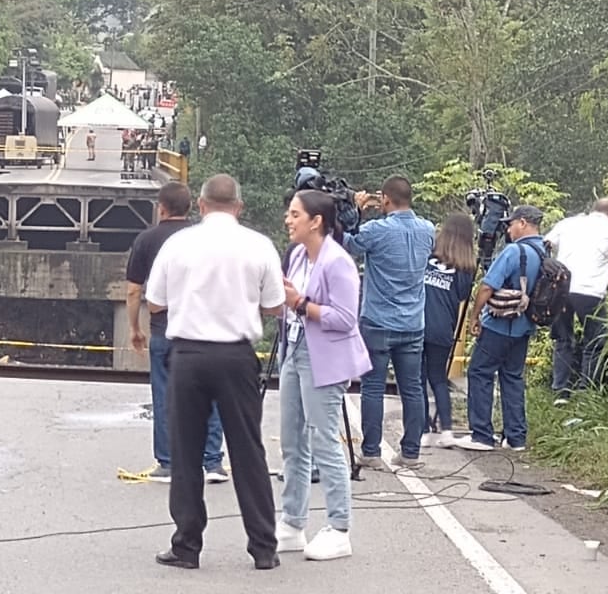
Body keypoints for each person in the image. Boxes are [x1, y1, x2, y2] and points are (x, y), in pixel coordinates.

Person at [145, 174, 284, 571]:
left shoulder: (178, 243)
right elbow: (275, 305)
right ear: (238, 207)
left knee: (186, 451)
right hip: (236, 356)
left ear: (201, 206)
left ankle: (187, 546)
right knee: (247, 451)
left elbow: (155, 303)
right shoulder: (259, 245)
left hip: (188, 354)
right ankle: (263, 547)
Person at [276, 189, 371, 562]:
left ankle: (338, 527)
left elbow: (346, 318)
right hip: (295, 350)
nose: (288, 219)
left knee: (324, 441)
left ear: (316, 221)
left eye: (295, 214)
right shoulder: (298, 255)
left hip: (324, 359)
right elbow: (288, 301)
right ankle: (292, 522)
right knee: (291, 440)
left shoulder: (338, 262)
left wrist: (300, 304)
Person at [125, 182, 227, 485]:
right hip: (205, 330)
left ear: (161, 208)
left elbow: (133, 291)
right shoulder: (205, 239)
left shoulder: (146, 240)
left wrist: (135, 328)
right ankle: (212, 462)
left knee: (165, 396)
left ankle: (168, 462)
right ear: (192, 207)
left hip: (165, 330)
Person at [345, 176, 435, 469]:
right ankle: (411, 453)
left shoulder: (375, 230)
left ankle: (371, 452)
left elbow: (349, 245)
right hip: (413, 322)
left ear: (384, 199)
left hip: (378, 320)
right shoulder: (427, 230)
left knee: (372, 387)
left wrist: (355, 213)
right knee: (412, 388)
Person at [456, 205, 547, 452]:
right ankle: (516, 438)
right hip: (525, 326)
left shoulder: (513, 251)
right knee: (513, 377)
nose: (508, 228)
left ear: (524, 223)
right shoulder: (545, 250)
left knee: (479, 373)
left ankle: (482, 435)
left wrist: (474, 316)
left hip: (499, 324)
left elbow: (487, 286)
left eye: (512, 223)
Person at [543, 198, 608, 403]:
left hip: (561, 289)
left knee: (563, 339)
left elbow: (546, 243)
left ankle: (560, 391)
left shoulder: (568, 223)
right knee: (595, 340)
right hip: (590, 292)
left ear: (591, 210)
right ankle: (586, 391)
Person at [420, 214, 478, 448]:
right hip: (444, 328)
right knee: (438, 379)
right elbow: (462, 296)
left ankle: (422, 429)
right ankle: (446, 430)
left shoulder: (427, 257)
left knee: (417, 379)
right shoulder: (467, 268)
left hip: (418, 324)